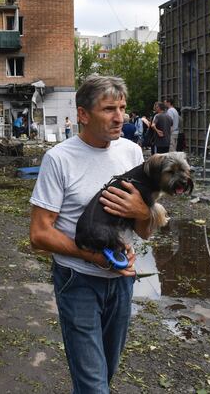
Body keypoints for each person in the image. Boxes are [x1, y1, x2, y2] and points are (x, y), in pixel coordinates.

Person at [29, 75, 151, 393]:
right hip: (78, 281)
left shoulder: (133, 153)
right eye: (109, 109)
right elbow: (40, 234)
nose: (119, 117)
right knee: (94, 385)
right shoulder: (59, 159)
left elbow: (146, 232)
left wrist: (143, 212)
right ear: (83, 114)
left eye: (122, 108)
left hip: (122, 280)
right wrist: (94, 257)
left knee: (103, 375)